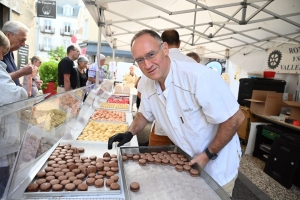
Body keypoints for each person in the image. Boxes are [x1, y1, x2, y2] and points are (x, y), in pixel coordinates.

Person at [108, 29, 244, 197]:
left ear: (165, 49)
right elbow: (144, 114)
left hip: (218, 166)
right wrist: (129, 133)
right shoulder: (149, 83)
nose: (147, 65)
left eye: (151, 55)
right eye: (140, 60)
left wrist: (208, 155)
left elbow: (235, 118)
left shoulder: (197, 77)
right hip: (187, 162)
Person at [0, 30, 27, 198]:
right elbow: (15, 95)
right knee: (4, 183)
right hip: (3, 139)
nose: (2, 58)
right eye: (1, 53)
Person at [1, 21, 33, 86]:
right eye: (21, 40)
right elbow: (1, 79)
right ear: (8, 35)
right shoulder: (2, 54)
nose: (23, 44)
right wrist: (21, 72)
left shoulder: (10, 52)